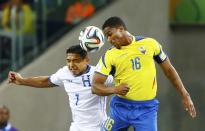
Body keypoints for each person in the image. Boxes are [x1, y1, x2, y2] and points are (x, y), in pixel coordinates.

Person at [91, 16, 197, 131]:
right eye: (106, 37)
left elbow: (169, 70)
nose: (109, 39)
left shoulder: (150, 44)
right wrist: (114, 89)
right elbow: (95, 86)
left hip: (146, 110)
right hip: (120, 108)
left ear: (121, 29)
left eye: (110, 34)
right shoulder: (109, 56)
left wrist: (185, 94)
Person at [8, 45, 113, 131]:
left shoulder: (98, 74)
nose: (71, 65)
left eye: (76, 60)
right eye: (68, 60)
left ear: (86, 60)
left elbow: (122, 81)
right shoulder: (64, 72)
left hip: (97, 128)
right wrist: (22, 81)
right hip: (77, 127)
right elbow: (46, 81)